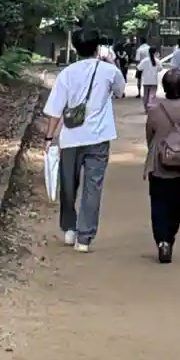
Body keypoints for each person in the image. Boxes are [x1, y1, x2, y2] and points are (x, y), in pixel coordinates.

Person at [41, 28, 122, 253]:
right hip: (99, 137)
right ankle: (84, 238)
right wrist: (111, 63)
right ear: (97, 47)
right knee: (92, 187)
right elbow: (120, 91)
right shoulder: (109, 71)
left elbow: (55, 109)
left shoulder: (67, 73)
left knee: (68, 184)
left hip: (71, 137)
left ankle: (69, 228)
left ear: (76, 49)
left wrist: (49, 137)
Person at [144, 67, 180, 263]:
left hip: (158, 166)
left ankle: (162, 241)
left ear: (164, 87)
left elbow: (149, 137)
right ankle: (169, 237)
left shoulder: (154, 110)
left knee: (158, 204)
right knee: (176, 205)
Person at [139, 45, 162, 112]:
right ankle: (151, 108)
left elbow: (139, 68)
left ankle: (146, 109)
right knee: (152, 95)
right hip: (154, 81)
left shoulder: (144, 60)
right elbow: (160, 69)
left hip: (146, 81)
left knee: (145, 95)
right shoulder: (157, 61)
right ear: (155, 53)